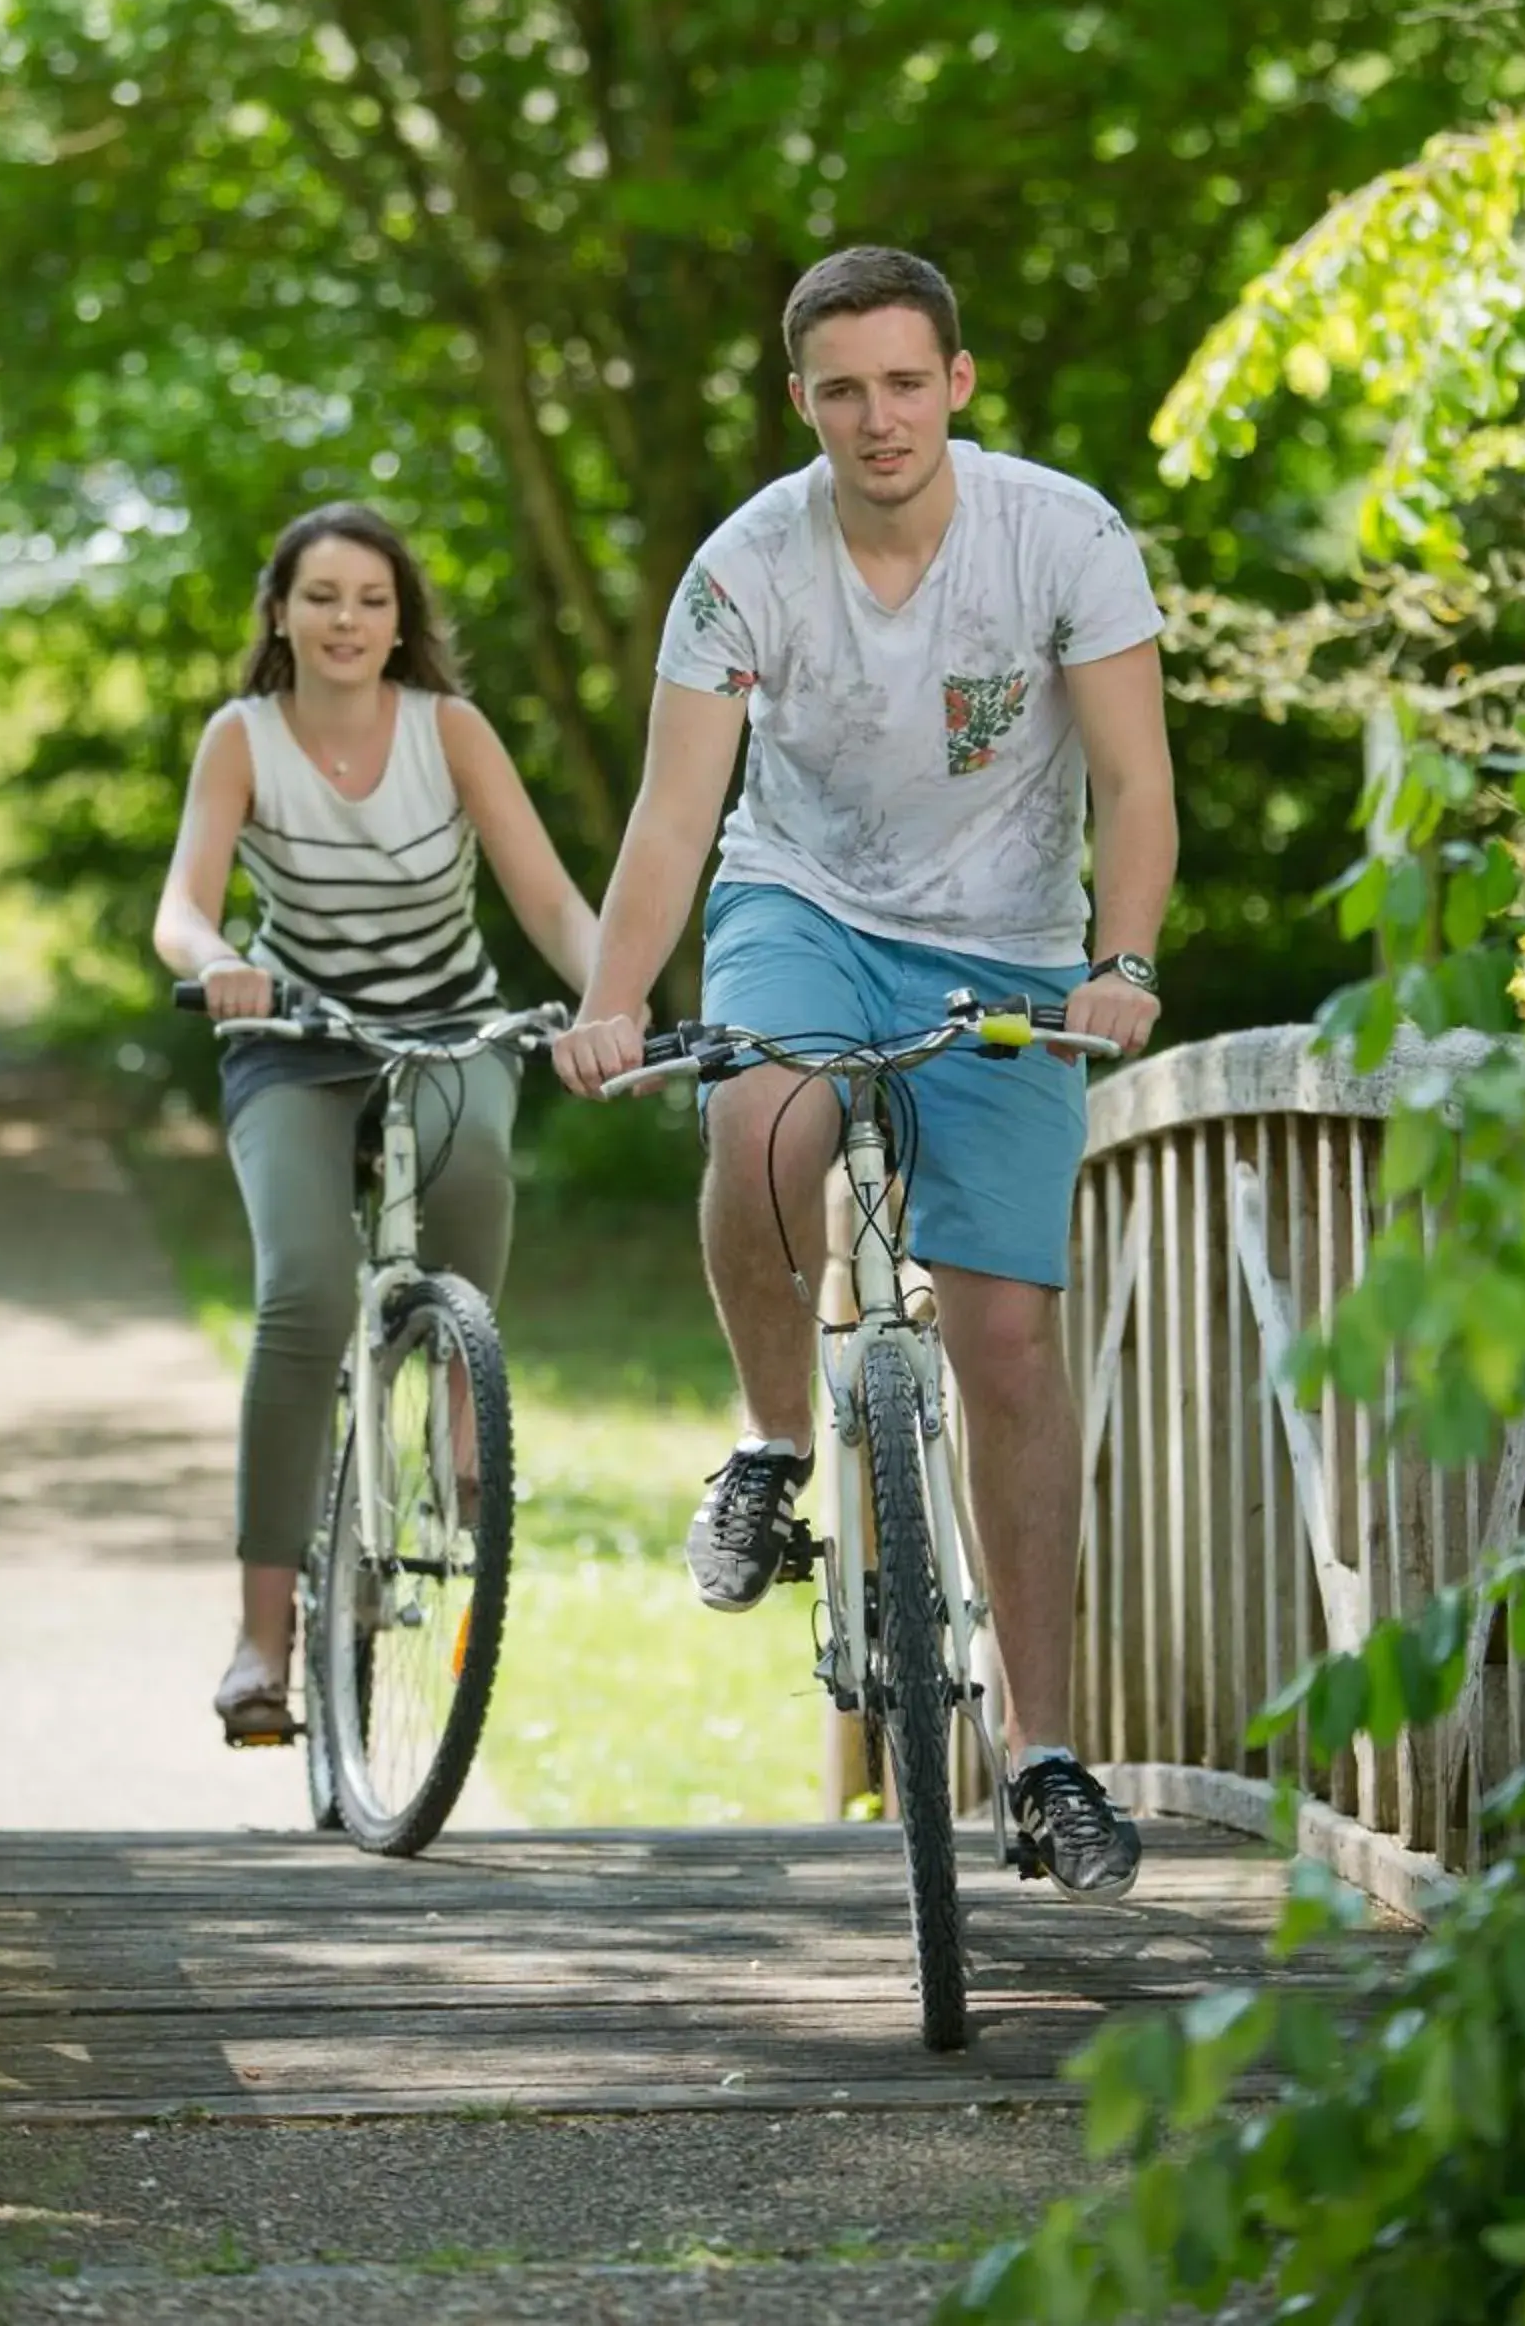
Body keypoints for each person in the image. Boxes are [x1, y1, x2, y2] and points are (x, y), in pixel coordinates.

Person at [554, 246, 1176, 1898]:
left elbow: (1135, 780)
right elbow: (679, 813)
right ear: (803, 403)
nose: (879, 417)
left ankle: (1044, 1759)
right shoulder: (746, 564)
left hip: (1014, 945)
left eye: (909, 383)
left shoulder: (1063, 535)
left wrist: (1120, 967)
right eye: (844, 390)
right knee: (764, 1117)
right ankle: (771, 1449)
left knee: (1007, 1340)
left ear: (958, 385)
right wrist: (615, 1002)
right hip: (802, 901)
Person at [154, 501, 597, 1743]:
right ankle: (260, 1637)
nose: (346, 621)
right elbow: (181, 910)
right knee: (301, 1292)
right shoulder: (243, 739)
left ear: (402, 623)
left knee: (473, 1172)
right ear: (280, 615)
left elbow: (551, 899)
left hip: (448, 1026)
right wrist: (223, 958)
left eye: (371, 600)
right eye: (321, 597)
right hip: (292, 1041)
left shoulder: (448, 733)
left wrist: (610, 1003)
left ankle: (462, 1404)